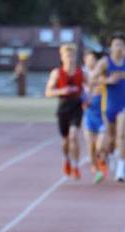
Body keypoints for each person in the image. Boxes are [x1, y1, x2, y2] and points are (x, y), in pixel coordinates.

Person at [93, 34, 125, 182]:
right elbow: (93, 78)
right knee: (112, 139)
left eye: (122, 45)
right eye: (116, 45)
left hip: (124, 105)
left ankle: (121, 169)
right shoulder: (105, 63)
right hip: (108, 106)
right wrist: (107, 80)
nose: (119, 48)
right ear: (111, 47)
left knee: (122, 135)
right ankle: (115, 158)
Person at [46, 43, 85, 180]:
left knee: (74, 135)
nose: (70, 58)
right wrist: (61, 91)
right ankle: (66, 159)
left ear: (75, 57)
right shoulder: (56, 73)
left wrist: (89, 97)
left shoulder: (81, 72)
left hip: (77, 107)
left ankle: (76, 165)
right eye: (67, 55)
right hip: (63, 107)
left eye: (72, 55)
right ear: (62, 57)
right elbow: (48, 92)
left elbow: (91, 87)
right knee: (66, 140)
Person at [83, 50, 108, 183]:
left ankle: (102, 162)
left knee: (100, 146)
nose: (91, 61)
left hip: (101, 116)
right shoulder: (82, 76)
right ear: (85, 60)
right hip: (88, 117)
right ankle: (96, 168)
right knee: (90, 146)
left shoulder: (102, 76)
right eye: (89, 59)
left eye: (94, 59)